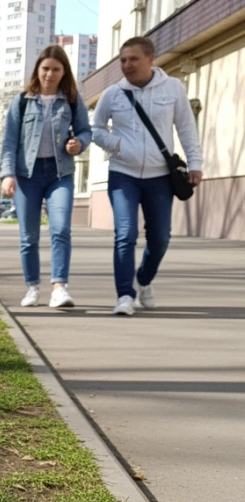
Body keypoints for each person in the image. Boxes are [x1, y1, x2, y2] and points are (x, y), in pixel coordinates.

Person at [90, 37, 202, 315]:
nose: (127, 65)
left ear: (151, 58)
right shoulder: (113, 93)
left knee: (160, 238)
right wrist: (117, 145)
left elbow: (186, 128)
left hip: (160, 177)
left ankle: (144, 279)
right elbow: (96, 129)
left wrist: (196, 163)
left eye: (133, 59)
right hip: (123, 175)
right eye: (123, 60)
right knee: (125, 234)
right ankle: (124, 295)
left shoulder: (173, 88)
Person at [0, 45, 92, 309]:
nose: (50, 74)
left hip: (59, 174)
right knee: (29, 236)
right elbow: (9, 142)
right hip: (26, 175)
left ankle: (59, 288)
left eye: (56, 69)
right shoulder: (22, 101)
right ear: (37, 70)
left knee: (60, 229)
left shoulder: (72, 100)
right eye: (45, 69)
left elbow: (85, 131)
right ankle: (32, 287)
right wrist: (7, 174)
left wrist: (79, 143)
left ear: (64, 72)